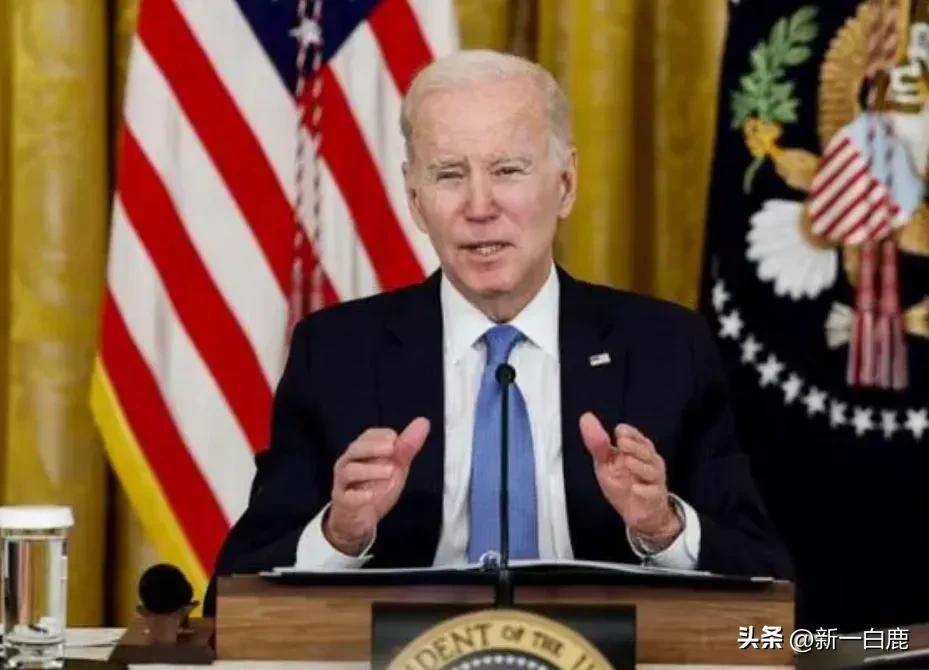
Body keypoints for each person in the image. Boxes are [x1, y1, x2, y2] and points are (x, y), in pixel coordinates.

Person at [209, 50, 792, 599]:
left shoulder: (665, 348)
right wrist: (340, 535)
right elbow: (232, 596)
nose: (479, 206)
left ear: (565, 185)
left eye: (508, 170)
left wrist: (662, 527)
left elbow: (767, 582)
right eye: (449, 175)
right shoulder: (337, 354)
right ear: (415, 200)